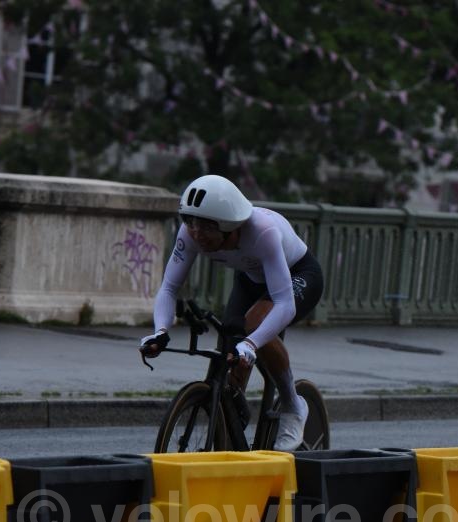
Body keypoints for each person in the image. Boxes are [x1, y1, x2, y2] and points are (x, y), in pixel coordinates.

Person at [139, 174, 324, 451]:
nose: (197, 234)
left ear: (229, 227)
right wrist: (160, 332)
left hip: (298, 274)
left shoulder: (263, 231)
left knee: (252, 326)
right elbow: (169, 288)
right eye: (190, 222)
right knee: (229, 342)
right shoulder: (191, 233)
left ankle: (293, 404)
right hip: (251, 277)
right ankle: (233, 417)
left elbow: (284, 304)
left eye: (205, 228)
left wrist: (251, 343)